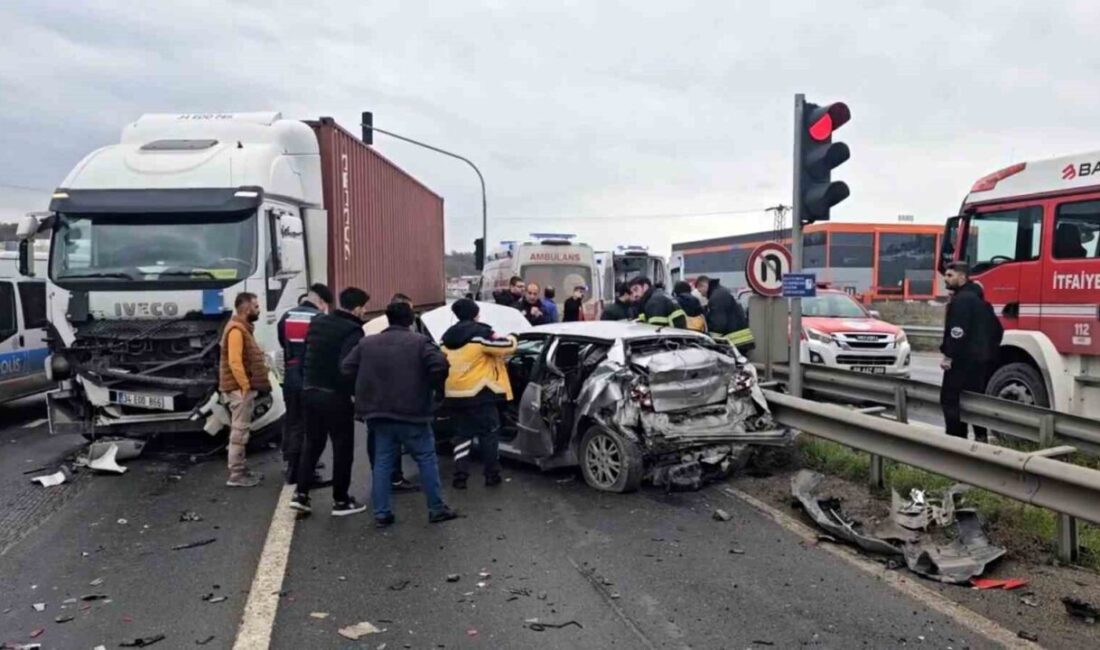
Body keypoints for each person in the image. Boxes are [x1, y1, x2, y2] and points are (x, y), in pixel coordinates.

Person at [341, 301, 458, 527]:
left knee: (382, 462)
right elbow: (439, 365)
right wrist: (433, 389)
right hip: (412, 411)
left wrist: (364, 389)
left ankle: (382, 513)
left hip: (378, 412)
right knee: (426, 459)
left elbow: (346, 368)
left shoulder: (367, 343)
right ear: (411, 320)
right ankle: (436, 508)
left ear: (389, 318)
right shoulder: (420, 343)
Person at [289, 287, 371, 516]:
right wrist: (354, 393)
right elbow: (348, 366)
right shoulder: (353, 330)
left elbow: (304, 355)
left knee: (312, 444)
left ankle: (301, 495)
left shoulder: (317, 322)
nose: (365, 312)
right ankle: (341, 500)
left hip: (309, 390)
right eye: (364, 307)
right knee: (342, 447)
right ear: (357, 308)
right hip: (334, 395)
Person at [440, 299, 517, 489]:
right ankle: (491, 474)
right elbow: (506, 346)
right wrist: (514, 336)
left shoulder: (446, 337)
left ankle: (460, 477)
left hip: (454, 394)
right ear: (475, 313)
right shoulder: (481, 333)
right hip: (479, 393)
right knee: (489, 433)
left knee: (462, 436)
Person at [362, 293, 423, 493]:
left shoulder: (369, 326)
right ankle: (395, 478)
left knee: (375, 437)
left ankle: (380, 476)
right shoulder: (405, 329)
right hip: (397, 391)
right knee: (396, 437)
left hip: (373, 392)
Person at [940, 262, 1002, 443]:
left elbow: (957, 332)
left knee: (949, 399)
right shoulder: (982, 301)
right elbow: (997, 331)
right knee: (975, 401)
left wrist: (949, 355)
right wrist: (988, 353)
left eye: (950, 275)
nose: (945, 279)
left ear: (962, 277)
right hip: (981, 363)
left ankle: (956, 441)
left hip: (961, 361)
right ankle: (981, 438)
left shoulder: (961, 301)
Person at [276, 283, 332, 485]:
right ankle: (308, 474)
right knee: (311, 425)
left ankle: (292, 469)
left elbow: (283, 344)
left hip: (291, 374)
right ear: (322, 301)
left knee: (293, 422)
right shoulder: (320, 319)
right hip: (310, 375)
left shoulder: (286, 316)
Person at [219, 292, 269, 488]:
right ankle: (236, 474)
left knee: (241, 429)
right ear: (247, 309)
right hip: (239, 389)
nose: (258, 310)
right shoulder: (236, 331)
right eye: (256, 306)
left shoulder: (241, 328)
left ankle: (240, 469)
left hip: (239, 387)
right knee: (239, 430)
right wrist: (245, 386)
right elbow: (235, 362)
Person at [696, 275, 754, 353]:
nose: (701, 295)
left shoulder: (716, 297)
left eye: (700, 291)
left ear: (704, 285)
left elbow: (718, 323)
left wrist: (711, 341)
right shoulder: (720, 292)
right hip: (739, 340)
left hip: (734, 342)